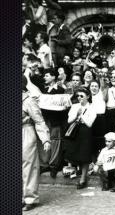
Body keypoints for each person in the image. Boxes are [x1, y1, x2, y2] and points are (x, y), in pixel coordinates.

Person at [22, 75, 51, 211]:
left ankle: (30, 198)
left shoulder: (28, 101)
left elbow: (39, 121)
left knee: (29, 166)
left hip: (26, 132)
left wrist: (45, 139)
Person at [65, 87, 97, 189]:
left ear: (88, 96)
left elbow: (89, 124)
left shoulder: (92, 107)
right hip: (75, 132)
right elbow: (69, 120)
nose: (79, 98)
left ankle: (83, 179)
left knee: (85, 155)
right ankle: (77, 172)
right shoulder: (74, 106)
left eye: (81, 96)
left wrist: (81, 115)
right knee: (74, 152)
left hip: (85, 132)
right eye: (78, 96)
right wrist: (76, 115)